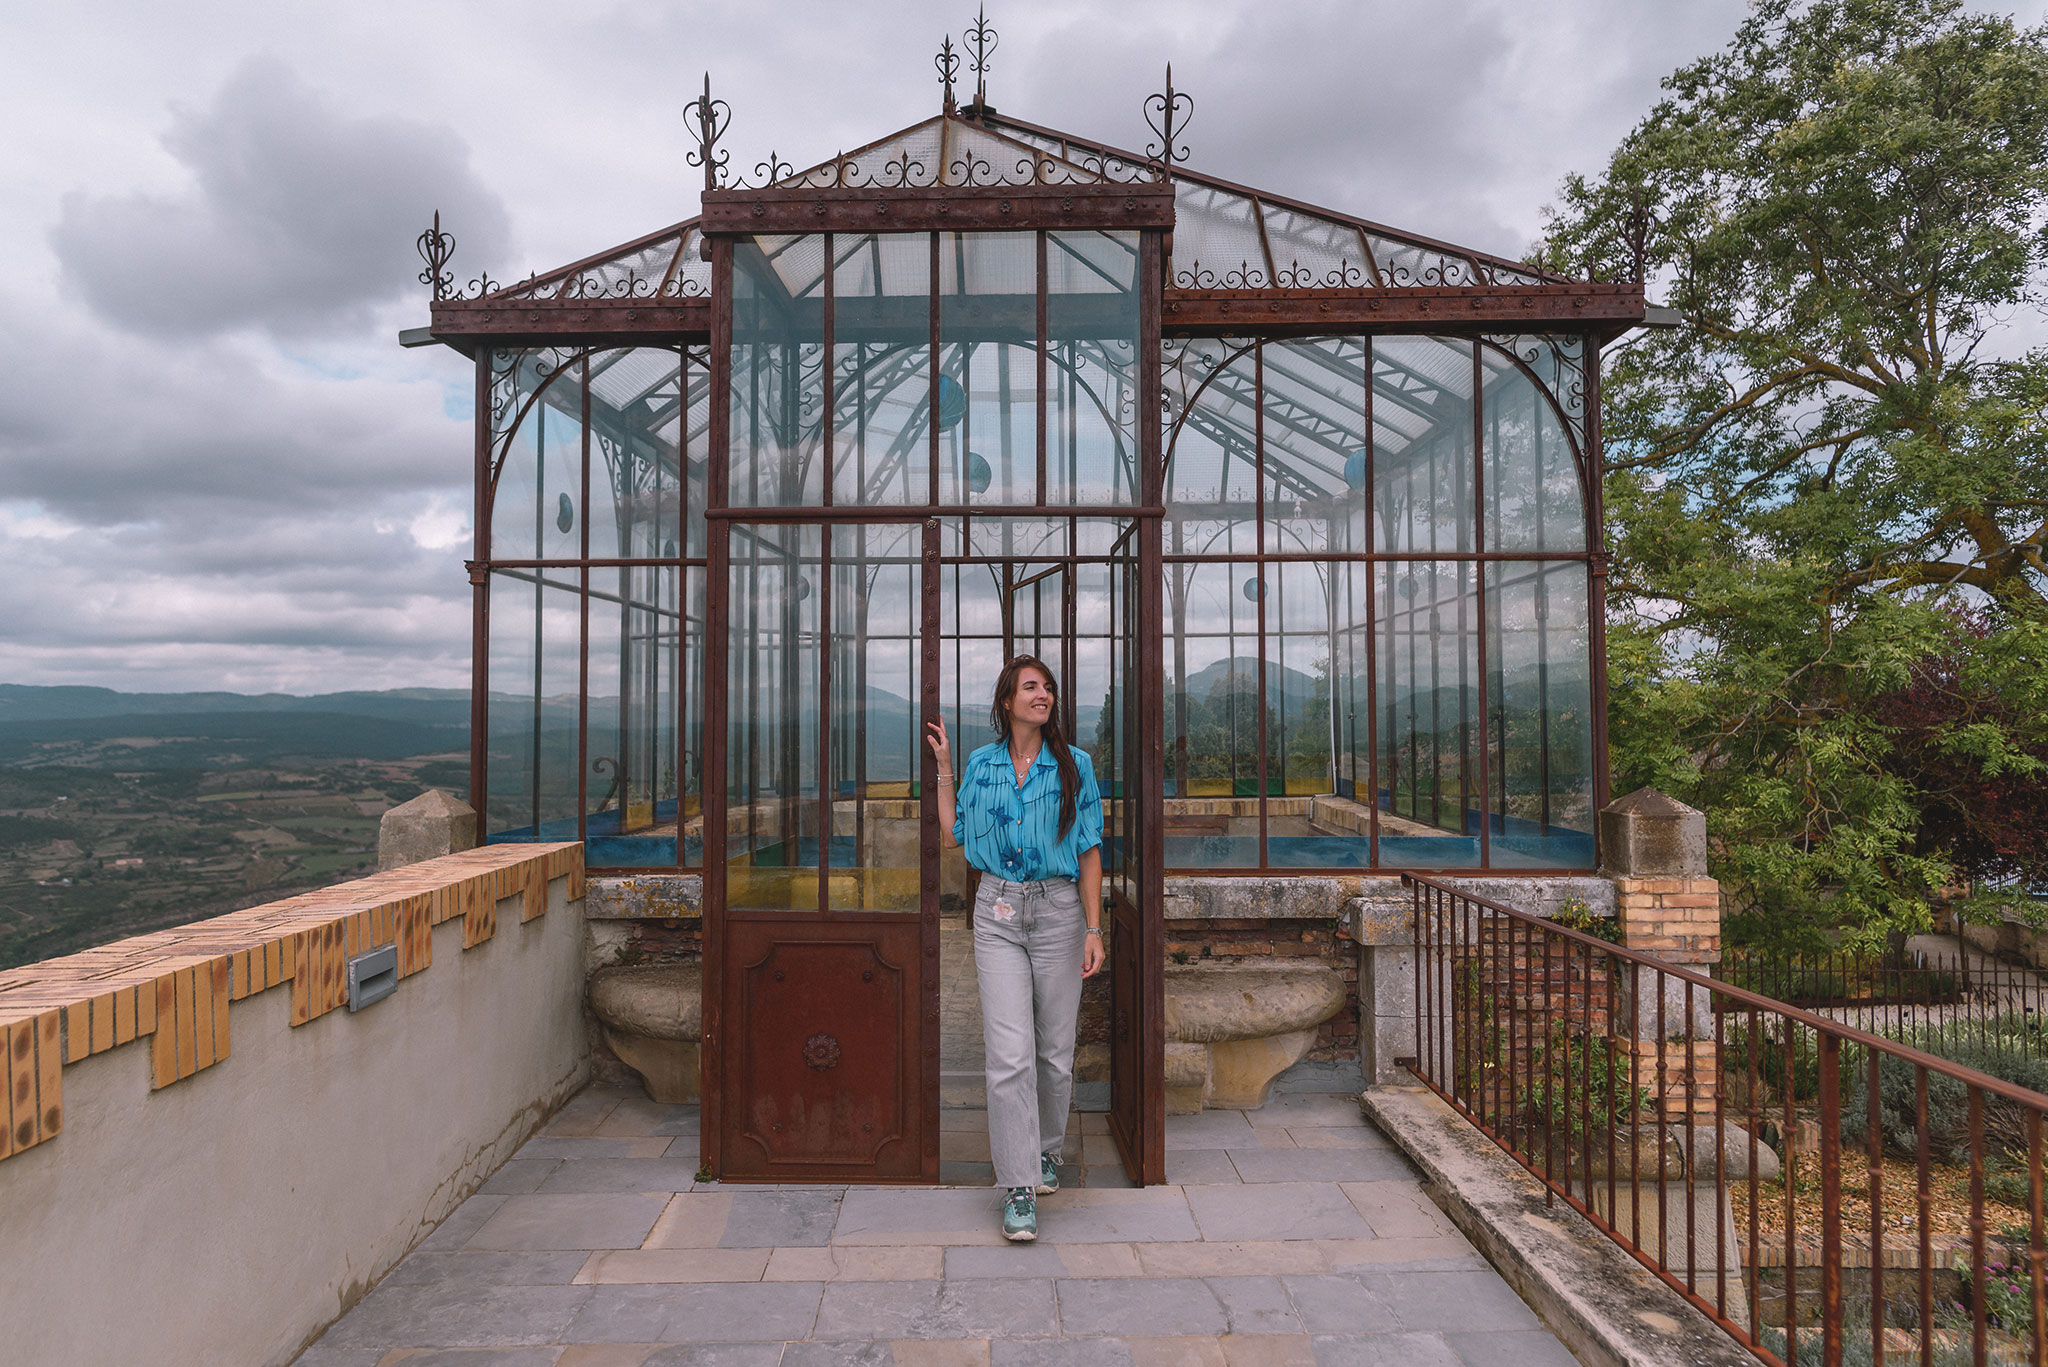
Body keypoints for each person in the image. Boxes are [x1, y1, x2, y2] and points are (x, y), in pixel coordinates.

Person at [926, 654, 1104, 1242]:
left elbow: (1088, 853)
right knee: (1009, 1054)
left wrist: (1094, 928)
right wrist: (946, 768)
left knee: (1054, 1050)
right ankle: (1019, 1186)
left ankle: (1047, 1150)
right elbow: (955, 836)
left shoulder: (1075, 766)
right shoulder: (981, 765)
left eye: (1048, 687)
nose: (1043, 695)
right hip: (997, 912)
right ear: (1007, 701)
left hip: (1058, 914)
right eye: (1031, 687)